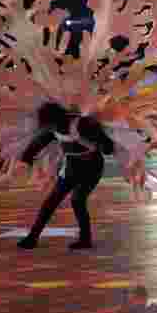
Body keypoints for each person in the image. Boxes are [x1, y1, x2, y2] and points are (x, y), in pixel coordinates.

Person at [16, 103, 115, 250]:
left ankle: (85, 239)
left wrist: (99, 142)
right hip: (71, 166)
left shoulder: (83, 124)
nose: (47, 128)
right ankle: (32, 238)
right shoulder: (53, 129)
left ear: (56, 120)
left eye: (48, 124)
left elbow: (108, 147)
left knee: (77, 200)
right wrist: (25, 158)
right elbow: (37, 143)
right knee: (51, 201)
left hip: (92, 167)